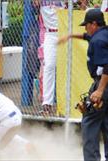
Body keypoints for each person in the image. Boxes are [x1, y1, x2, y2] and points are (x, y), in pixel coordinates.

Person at [59, 9, 108, 161]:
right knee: (106, 122)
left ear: (94, 24)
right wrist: (70, 36)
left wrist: (100, 90)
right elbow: (88, 37)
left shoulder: (98, 41)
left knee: (90, 122)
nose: (85, 28)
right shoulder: (103, 34)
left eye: (86, 25)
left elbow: (107, 65)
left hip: (104, 85)